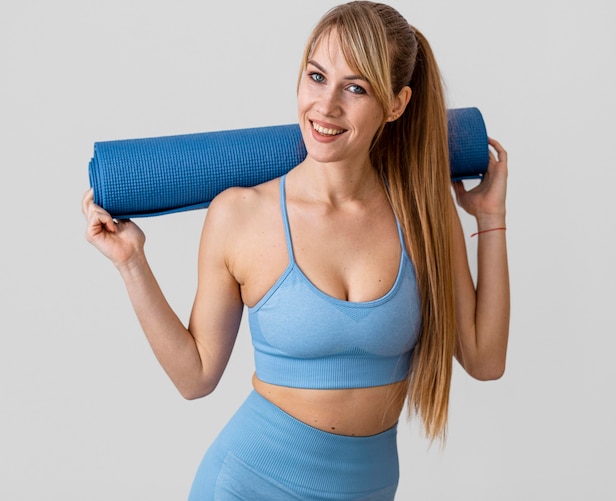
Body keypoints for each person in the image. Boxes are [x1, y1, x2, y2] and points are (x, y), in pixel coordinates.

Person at [82, 1, 509, 499]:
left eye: (356, 87)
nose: (325, 107)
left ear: (396, 104)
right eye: (316, 76)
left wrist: (492, 219)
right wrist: (131, 262)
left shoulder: (423, 214)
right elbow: (195, 376)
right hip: (247, 484)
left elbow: (484, 359)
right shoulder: (240, 214)